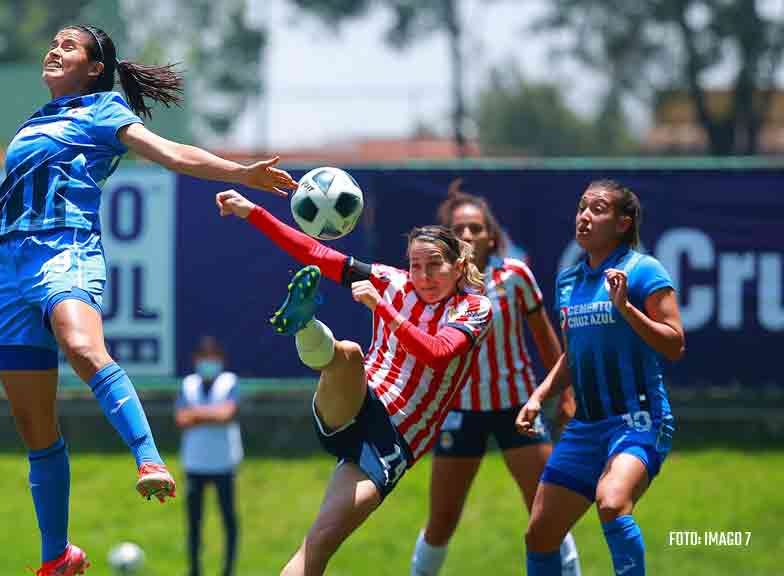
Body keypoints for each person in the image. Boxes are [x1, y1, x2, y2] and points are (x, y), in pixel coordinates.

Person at [0, 23, 296, 576]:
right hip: (11, 274)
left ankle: (148, 458)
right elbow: (12, 218)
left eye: (68, 46)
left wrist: (239, 172)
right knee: (34, 427)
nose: (54, 50)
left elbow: (170, 152)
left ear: (94, 67)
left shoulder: (103, 110)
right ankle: (57, 556)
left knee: (82, 348)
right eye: (53, 43)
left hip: (67, 252)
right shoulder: (35, 122)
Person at [215, 188, 493, 576]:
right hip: (356, 399)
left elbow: (437, 353)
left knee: (319, 545)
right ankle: (305, 324)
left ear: (458, 266)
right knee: (349, 355)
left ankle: (308, 328)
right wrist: (253, 212)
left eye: (434, 266)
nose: (424, 277)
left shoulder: (476, 307)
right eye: (416, 266)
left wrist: (384, 310)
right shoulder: (392, 282)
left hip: (392, 441)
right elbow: (316, 254)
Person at [516, 179, 685, 576]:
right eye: (581, 208)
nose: (584, 216)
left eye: (598, 208)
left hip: (638, 421)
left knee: (611, 501)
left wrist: (626, 308)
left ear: (624, 223)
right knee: (539, 535)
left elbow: (675, 344)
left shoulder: (644, 270)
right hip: (586, 427)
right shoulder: (569, 281)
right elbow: (574, 356)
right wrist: (539, 396)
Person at [410, 188, 581, 575]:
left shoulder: (515, 276)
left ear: (492, 236)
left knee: (546, 513)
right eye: (459, 229)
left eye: (476, 227)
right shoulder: (433, 284)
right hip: (460, 411)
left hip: (517, 407)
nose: (468, 234)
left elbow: (544, 336)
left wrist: (565, 394)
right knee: (442, 522)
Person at [176, 335, 243, 576]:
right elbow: (181, 419)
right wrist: (212, 413)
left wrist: (196, 414)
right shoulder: (188, 384)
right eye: (203, 357)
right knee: (194, 523)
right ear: (196, 359)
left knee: (229, 520)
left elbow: (227, 414)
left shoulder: (230, 382)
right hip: (194, 463)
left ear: (221, 359)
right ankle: (194, 570)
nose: (207, 362)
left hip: (224, 462)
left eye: (212, 357)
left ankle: (228, 570)